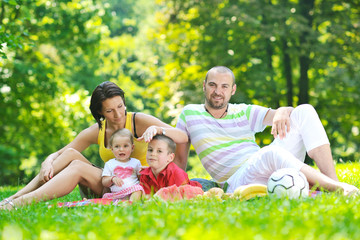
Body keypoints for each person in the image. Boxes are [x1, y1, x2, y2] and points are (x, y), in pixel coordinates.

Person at [0, 81, 188, 210]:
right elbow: (62, 152)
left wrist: (158, 129)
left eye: (121, 106)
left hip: (136, 187)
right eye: (110, 110)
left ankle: (21, 202)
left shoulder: (137, 121)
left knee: (77, 166)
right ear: (99, 112)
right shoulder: (97, 130)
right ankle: (14, 198)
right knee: (71, 154)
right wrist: (47, 162)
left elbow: (182, 137)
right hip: (110, 184)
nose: (118, 114)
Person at [174, 66, 359, 195]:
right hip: (237, 181)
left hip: (262, 164)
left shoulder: (243, 111)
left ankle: (333, 182)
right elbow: (179, 160)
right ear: (204, 85)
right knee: (269, 153)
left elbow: (286, 113)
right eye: (212, 85)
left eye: (224, 86)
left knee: (304, 111)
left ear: (233, 90)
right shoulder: (190, 113)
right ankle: (338, 188)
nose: (217, 91)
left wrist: (282, 112)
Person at [102, 129, 143, 202]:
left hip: (132, 192)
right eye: (117, 146)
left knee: (138, 189)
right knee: (106, 198)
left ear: (132, 148)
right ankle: (121, 203)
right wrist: (112, 178)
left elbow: (141, 179)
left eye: (125, 146)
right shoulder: (109, 163)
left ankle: (131, 203)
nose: (121, 149)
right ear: (112, 149)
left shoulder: (136, 162)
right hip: (116, 194)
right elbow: (104, 182)